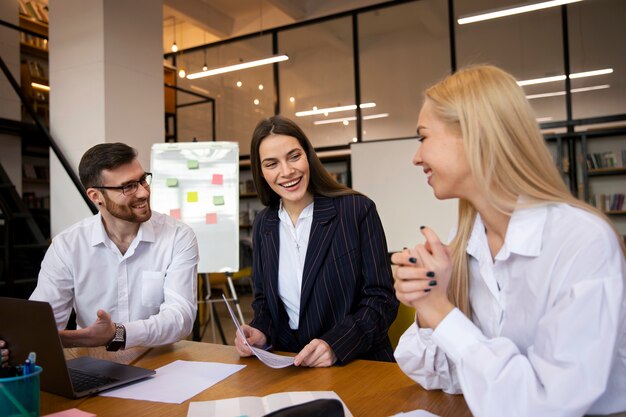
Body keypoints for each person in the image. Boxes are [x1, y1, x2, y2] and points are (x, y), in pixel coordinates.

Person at [392, 65, 626, 416]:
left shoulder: (581, 241)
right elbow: (441, 376)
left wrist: (442, 310)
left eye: (423, 137)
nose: (416, 157)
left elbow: (548, 405)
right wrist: (426, 303)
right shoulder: (467, 240)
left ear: (475, 134)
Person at [2, 142, 199, 360]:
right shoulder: (67, 246)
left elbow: (182, 317)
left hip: (160, 362)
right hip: (93, 364)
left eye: (143, 180)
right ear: (96, 196)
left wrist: (118, 334)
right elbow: (41, 320)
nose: (143, 192)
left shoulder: (178, 236)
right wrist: (12, 343)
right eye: (128, 186)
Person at [234, 115, 398, 367]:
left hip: (357, 363)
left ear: (308, 155)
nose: (286, 172)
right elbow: (264, 302)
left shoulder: (356, 211)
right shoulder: (264, 225)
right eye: (271, 163)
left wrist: (336, 344)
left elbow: (381, 300)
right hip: (291, 365)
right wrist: (261, 332)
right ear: (261, 171)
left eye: (294, 156)